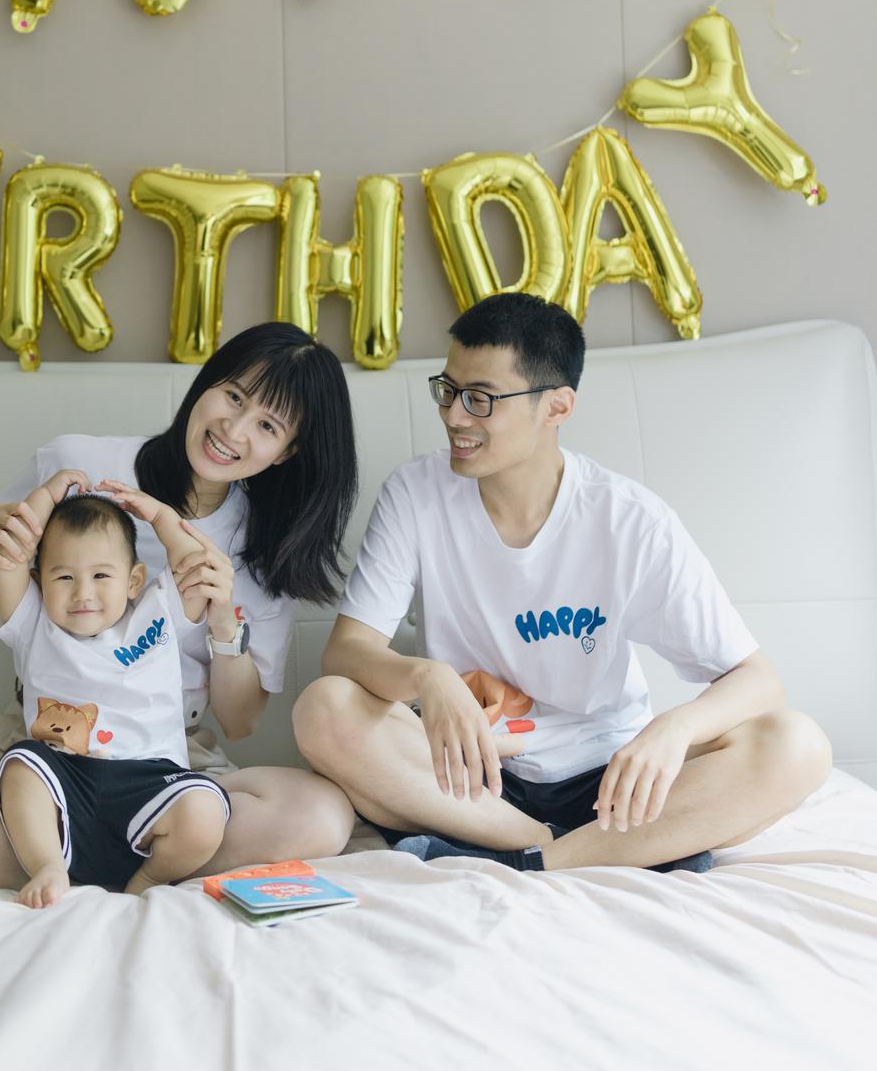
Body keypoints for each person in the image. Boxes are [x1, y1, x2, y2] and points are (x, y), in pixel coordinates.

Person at [293, 292, 833, 874]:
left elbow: (757, 680)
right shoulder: (415, 495)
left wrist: (675, 728)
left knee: (797, 746)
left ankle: (537, 862)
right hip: (474, 777)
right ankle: (567, 848)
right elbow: (346, 653)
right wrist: (430, 677)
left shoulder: (628, 520)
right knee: (325, 708)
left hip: (609, 776)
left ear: (556, 406)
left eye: (480, 399)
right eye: (447, 390)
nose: (454, 416)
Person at [0, 322, 359, 889]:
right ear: (207, 382)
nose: (233, 429)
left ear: (287, 452)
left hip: (169, 755)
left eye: (267, 425)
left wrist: (223, 617)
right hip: (45, 740)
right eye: (233, 396)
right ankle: (113, 855)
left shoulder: (269, 547)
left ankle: (84, 852)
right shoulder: (80, 465)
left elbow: (240, 721)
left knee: (323, 817)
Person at [0, 471, 232, 905]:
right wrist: (46, 495)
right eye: (64, 578)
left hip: (152, 778)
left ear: (134, 580)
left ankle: (150, 878)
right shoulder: (34, 622)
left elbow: (196, 564)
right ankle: (48, 865)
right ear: (40, 581)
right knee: (21, 766)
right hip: (64, 774)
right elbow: (8, 557)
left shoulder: (158, 612)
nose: (83, 593)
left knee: (204, 810)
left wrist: (159, 515)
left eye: (101, 575)